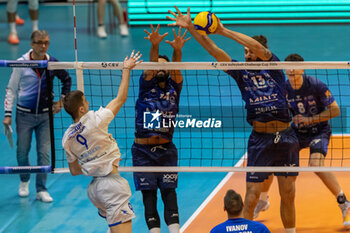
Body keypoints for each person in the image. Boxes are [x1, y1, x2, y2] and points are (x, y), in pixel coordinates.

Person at [167, 7, 299, 233]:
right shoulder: (240, 72)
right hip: (259, 140)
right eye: (244, 52)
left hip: (285, 137)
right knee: (251, 198)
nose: (247, 55)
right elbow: (215, 50)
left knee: (287, 194)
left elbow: (258, 47)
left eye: (250, 51)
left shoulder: (274, 68)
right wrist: (192, 28)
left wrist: (223, 29)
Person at [254, 53, 350, 227]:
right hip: (296, 133)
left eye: (295, 67)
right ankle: (263, 200)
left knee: (316, 165)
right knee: (271, 161)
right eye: (288, 67)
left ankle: (344, 202)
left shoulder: (315, 85)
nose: (291, 70)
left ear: (302, 69)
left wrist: (310, 120)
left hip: (318, 131)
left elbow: (335, 111)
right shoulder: (282, 88)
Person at [62, 50, 142, 233]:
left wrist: (92, 162)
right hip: (111, 186)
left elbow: (74, 171)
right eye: (86, 101)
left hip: (94, 190)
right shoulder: (95, 119)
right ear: (81, 109)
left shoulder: (66, 138)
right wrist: (126, 68)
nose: (89, 103)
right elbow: (121, 99)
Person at [132, 24, 190, 233]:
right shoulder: (146, 83)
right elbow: (150, 68)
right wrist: (154, 46)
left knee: (169, 194)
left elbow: (176, 69)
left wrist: (177, 50)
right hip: (142, 151)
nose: (159, 68)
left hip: (166, 151)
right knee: (149, 199)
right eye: (156, 65)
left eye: (163, 65)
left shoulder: (175, 86)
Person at [3, 30, 72, 202]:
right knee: (22, 152)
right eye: (40, 42)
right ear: (32, 44)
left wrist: (62, 101)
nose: (43, 46)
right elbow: (11, 88)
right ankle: (24, 180)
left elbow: (67, 79)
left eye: (46, 42)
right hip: (23, 115)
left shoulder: (52, 62)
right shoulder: (20, 63)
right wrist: (7, 114)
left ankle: (41, 189)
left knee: (44, 154)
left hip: (45, 117)